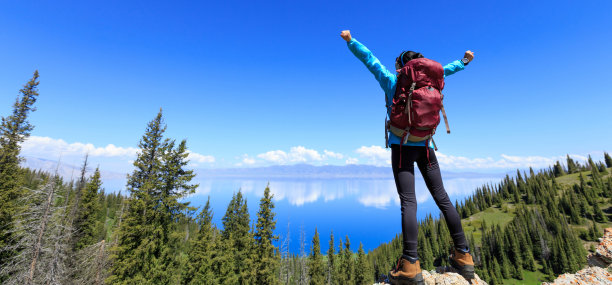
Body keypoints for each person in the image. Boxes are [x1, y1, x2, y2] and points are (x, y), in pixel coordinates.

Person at [340, 30, 475, 285]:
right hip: (426, 147)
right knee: (442, 197)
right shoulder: (432, 81)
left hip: (401, 147)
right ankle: (464, 256)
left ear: (402, 67)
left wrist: (350, 41)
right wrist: (464, 61)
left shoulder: (393, 82)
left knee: (409, 202)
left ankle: (410, 266)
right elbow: (447, 69)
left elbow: (370, 60)